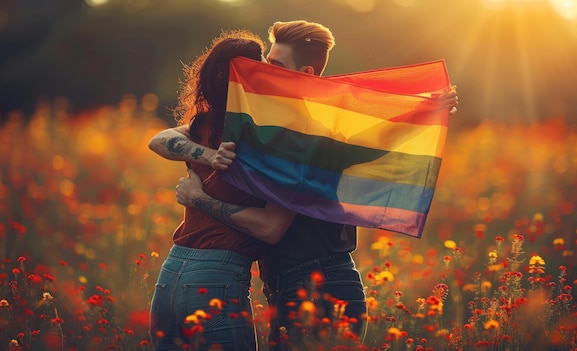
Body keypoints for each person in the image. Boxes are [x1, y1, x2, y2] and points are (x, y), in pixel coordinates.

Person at [155, 20, 459, 350]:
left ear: (307, 73)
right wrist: (211, 156)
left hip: (320, 285)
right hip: (291, 286)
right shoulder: (271, 124)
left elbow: (272, 228)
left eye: (276, 67)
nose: (261, 75)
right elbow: (165, 137)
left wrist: (198, 198)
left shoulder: (303, 134)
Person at [147, 29, 295, 351]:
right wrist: (212, 157)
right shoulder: (264, 135)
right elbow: (271, 230)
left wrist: (200, 187)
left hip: (170, 275)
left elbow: (158, 139)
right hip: (217, 275)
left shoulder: (203, 126)